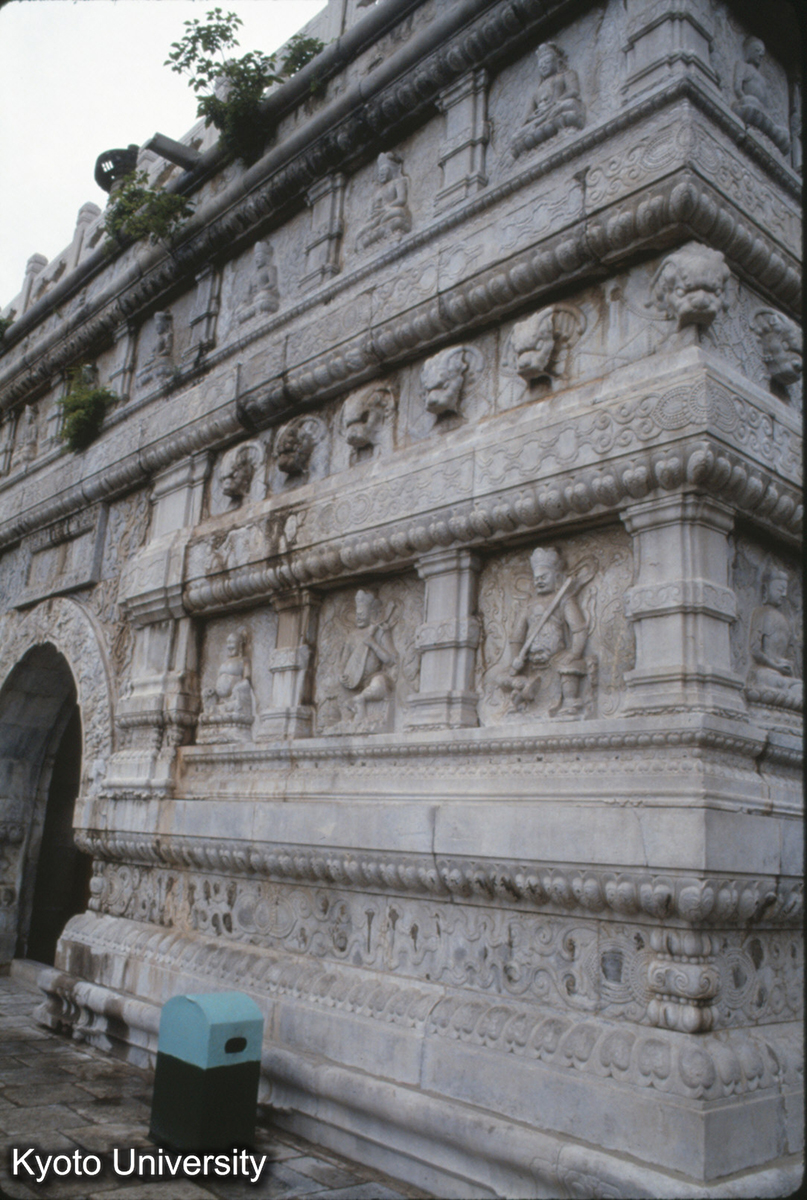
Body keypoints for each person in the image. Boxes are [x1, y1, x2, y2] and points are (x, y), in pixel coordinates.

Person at [500, 547, 588, 715]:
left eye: (544, 577)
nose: (539, 581)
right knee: (505, 677)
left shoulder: (564, 600)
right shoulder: (529, 605)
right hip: (532, 661)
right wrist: (515, 659)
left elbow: (579, 629)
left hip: (556, 658)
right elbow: (516, 637)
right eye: (536, 578)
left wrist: (574, 652)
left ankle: (570, 701)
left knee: (569, 666)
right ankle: (519, 700)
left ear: (556, 577)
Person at [340, 590, 396, 721]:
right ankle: (348, 714)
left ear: (372, 613)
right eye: (357, 614)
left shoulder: (380, 632)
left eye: (362, 614)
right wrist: (340, 674)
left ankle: (359, 699)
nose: (358, 617)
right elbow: (343, 661)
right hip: (353, 681)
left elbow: (390, 660)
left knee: (379, 683)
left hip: (374, 678)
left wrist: (373, 644)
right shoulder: (352, 636)